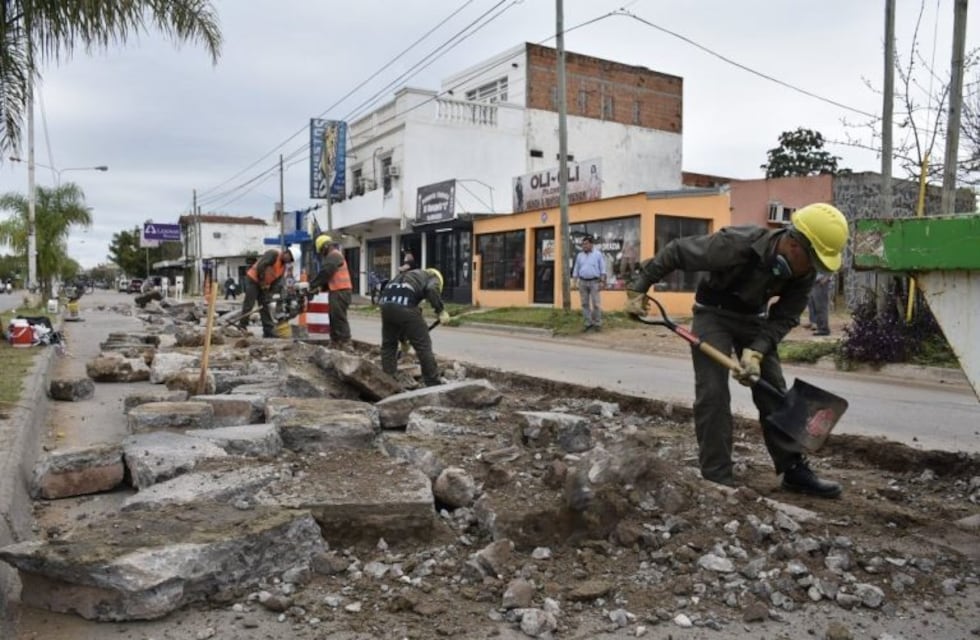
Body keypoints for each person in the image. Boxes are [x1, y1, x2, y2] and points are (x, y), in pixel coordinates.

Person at [624, 203, 849, 498]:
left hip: (754, 320)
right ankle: (717, 476)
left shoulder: (803, 275)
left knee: (773, 390)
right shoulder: (737, 243)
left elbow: (785, 317)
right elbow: (678, 251)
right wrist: (639, 286)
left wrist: (756, 351)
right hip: (712, 313)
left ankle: (793, 469)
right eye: (814, 259)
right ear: (794, 243)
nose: (814, 269)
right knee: (713, 393)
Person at [379, 267, 451, 387]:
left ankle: (388, 379)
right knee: (423, 345)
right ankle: (433, 382)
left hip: (385, 305)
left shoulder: (409, 275)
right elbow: (432, 290)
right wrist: (440, 311)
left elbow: (398, 317)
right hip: (406, 305)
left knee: (388, 344)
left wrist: (403, 340)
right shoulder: (433, 278)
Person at [309, 234, 354, 347]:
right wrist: (320, 287)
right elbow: (329, 277)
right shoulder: (333, 256)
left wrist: (312, 285)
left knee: (339, 317)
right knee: (333, 317)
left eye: (321, 250)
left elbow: (326, 272)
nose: (321, 254)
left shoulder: (334, 256)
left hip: (341, 291)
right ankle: (335, 341)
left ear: (325, 246)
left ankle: (346, 341)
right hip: (336, 291)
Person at [240, 247, 294, 338]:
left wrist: (270, 293)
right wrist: (262, 282)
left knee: (265, 305)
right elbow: (261, 265)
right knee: (249, 303)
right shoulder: (273, 254)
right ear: (286, 253)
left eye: (290, 260)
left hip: (263, 285)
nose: (288, 260)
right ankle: (242, 327)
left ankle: (268, 330)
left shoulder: (282, 268)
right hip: (254, 279)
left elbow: (276, 281)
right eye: (289, 257)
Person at [571, 234, 606, 331]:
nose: (584, 246)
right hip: (582, 282)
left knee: (596, 304)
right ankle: (588, 323)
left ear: (591, 244)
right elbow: (576, 269)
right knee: (584, 304)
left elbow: (603, 269)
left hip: (594, 282)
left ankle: (597, 323)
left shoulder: (598, 254)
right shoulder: (579, 255)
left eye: (586, 244)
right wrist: (574, 282)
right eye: (583, 245)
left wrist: (602, 282)